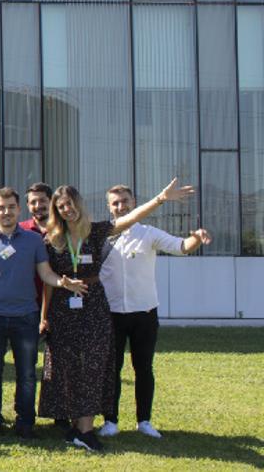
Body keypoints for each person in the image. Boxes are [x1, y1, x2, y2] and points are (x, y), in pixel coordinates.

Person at [38, 180, 194, 453]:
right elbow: (45, 275)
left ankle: (87, 430)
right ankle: (76, 428)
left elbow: (131, 218)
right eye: (61, 206)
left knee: (94, 366)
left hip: (94, 307)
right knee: (69, 367)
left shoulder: (97, 232)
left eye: (70, 204)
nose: (67, 210)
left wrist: (160, 199)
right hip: (64, 309)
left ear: (78, 203)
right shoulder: (52, 240)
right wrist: (61, 287)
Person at [0, 187, 89, 440]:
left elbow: (44, 273)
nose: (6, 212)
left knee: (27, 373)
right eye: (1, 207)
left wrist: (63, 282)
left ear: (19, 210)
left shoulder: (33, 240)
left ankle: (25, 422)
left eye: (11, 207)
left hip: (25, 316)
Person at [98, 184, 210, 440]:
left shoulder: (148, 233)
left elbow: (181, 246)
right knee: (110, 369)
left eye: (125, 201)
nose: (120, 206)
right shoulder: (103, 235)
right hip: (111, 313)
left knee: (143, 368)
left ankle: (144, 421)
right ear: (109, 207)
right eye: (115, 203)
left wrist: (196, 237)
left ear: (134, 201)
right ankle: (110, 420)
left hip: (144, 313)